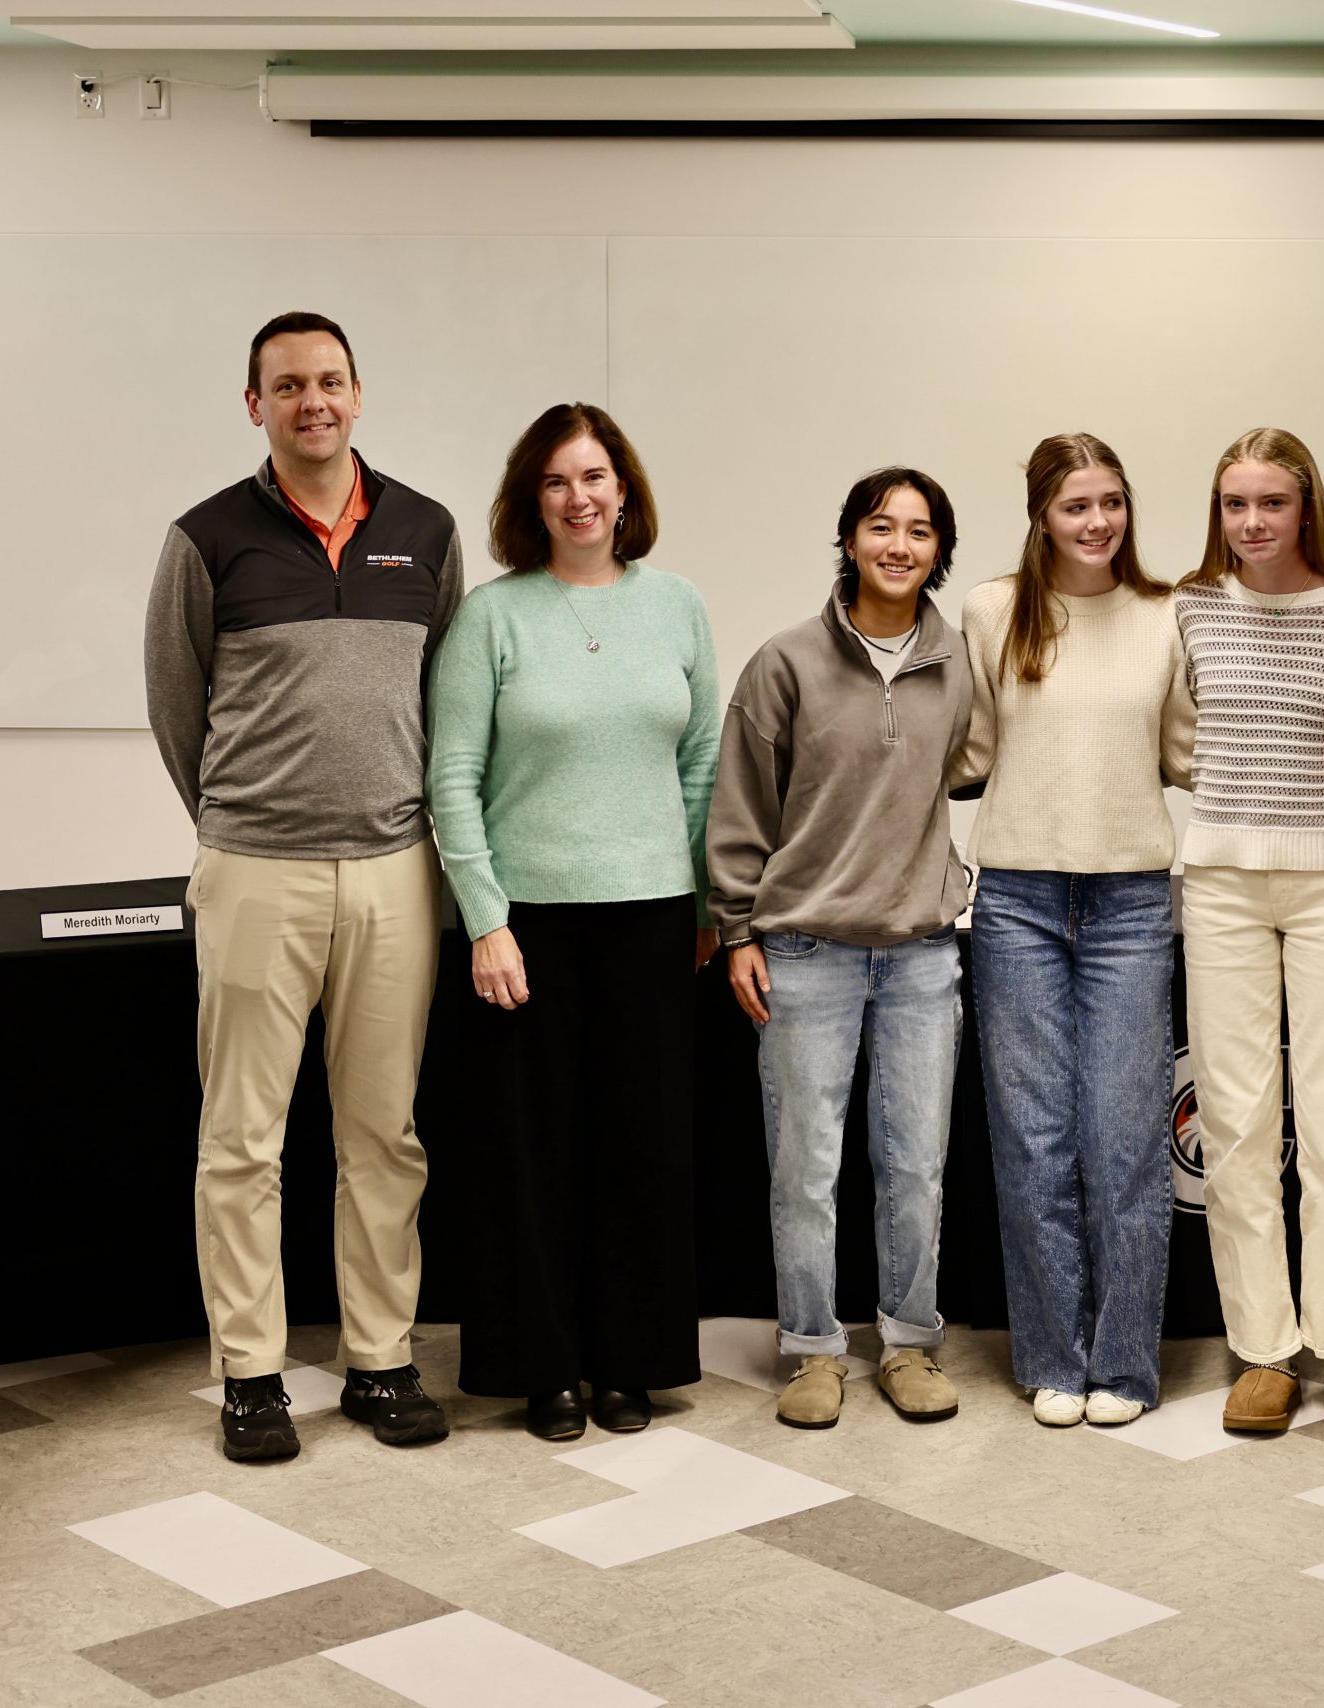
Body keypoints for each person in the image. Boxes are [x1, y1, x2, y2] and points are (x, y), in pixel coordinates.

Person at [143, 311, 460, 1462]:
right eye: (287, 386)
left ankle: (379, 1362)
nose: (311, 401)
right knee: (242, 1139)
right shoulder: (205, 537)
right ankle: (252, 1375)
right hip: (254, 872)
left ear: (359, 394)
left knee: (385, 1133)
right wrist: (243, 825)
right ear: (255, 405)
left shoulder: (425, 529)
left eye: (330, 381)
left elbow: (448, 705)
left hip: (391, 868)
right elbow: (180, 711)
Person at [426, 403, 719, 1441]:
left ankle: (631, 1360)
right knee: (529, 1152)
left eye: (594, 476)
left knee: (640, 1149)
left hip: (651, 917)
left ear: (624, 491)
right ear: (529, 499)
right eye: (555, 481)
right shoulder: (492, 618)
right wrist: (487, 920)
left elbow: (700, 768)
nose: (578, 496)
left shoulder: (678, 607)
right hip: (529, 926)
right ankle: (542, 1366)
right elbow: (451, 781)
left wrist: (699, 900)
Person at [707, 467, 975, 1430]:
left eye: (919, 530)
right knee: (806, 1165)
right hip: (806, 952)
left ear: (940, 549)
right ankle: (813, 1351)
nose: (899, 545)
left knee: (915, 1165)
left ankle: (909, 1344)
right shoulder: (784, 662)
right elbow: (738, 805)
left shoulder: (958, 666)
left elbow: (971, 768)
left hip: (920, 955)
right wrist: (738, 928)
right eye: (879, 527)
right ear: (849, 541)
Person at [954, 432, 1194, 1429]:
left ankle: (1124, 1365)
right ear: (1041, 516)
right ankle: (1053, 1358)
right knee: (1033, 1141)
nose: (1097, 523)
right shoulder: (992, 611)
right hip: (1016, 901)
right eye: (1075, 507)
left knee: (1127, 1141)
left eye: (1111, 503)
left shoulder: (1166, 613)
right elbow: (967, 752)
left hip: (1133, 906)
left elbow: (1188, 751)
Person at [1173, 427, 1324, 1435]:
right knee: (1234, 1120)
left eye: (1271, 502)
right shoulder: (1185, 606)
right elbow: (1178, 736)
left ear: (1307, 506)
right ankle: (1263, 1346)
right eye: (1235, 504)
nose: (1253, 522)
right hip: (1219, 882)